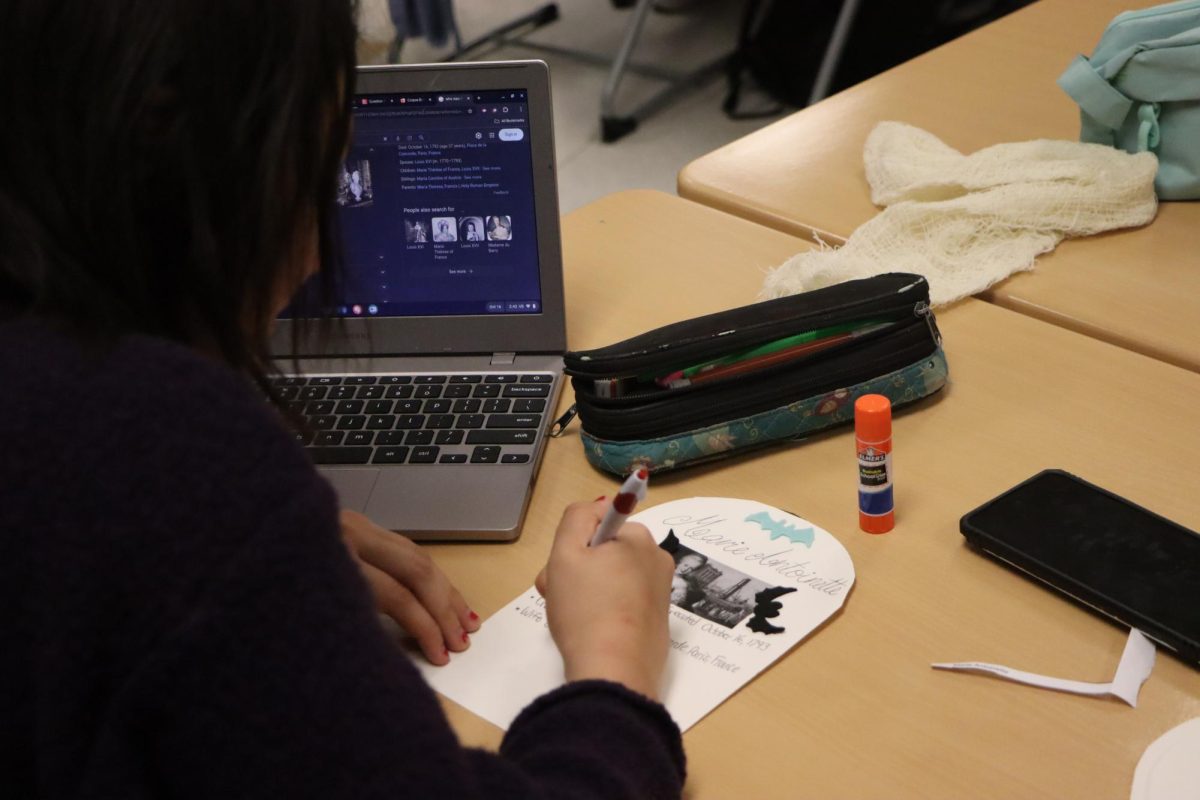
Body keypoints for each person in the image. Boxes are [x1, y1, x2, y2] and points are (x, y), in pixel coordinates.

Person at [0, 2, 684, 798]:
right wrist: (614, 659)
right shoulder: (158, 452)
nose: (323, 252)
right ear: (214, 172)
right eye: (320, 170)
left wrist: (249, 577)